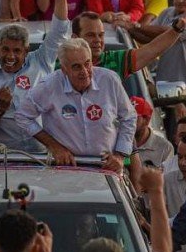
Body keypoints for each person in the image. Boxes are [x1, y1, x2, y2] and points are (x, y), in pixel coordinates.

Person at [0, 0, 71, 151]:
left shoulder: (41, 61)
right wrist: (0, 108)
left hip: (44, 155)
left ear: (26, 51)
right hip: (4, 159)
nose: (10, 56)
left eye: (16, 51)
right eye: (5, 49)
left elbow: (59, 29)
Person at [14, 38, 137, 171]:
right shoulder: (50, 85)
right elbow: (22, 116)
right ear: (64, 69)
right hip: (66, 168)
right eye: (76, 66)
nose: (84, 71)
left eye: (87, 64)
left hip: (107, 168)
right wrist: (54, 146)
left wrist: (119, 155)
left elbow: (129, 117)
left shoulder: (109, 80)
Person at [131, 0, 186, 115]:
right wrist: (129, 30)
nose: (180, 0)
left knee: (182, 133)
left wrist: (135, 26)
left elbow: (166, 32)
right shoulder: (167, 13)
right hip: (166, 90)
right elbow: (149, 37)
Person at [131, 96, 173, 170]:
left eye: (133, 118)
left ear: (146, 120)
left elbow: (167, 177)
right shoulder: (116, 141)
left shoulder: (165, 148)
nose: (127, 122)